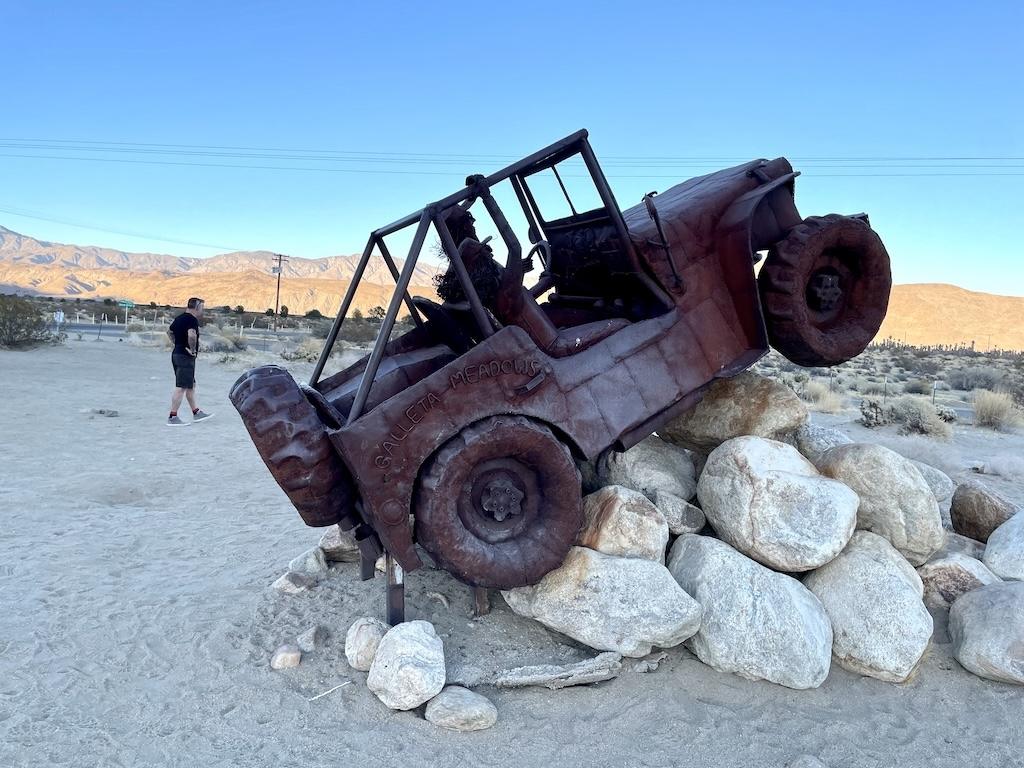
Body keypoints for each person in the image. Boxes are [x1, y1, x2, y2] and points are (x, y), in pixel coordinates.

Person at [166, 297, 213, 426]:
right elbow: (192, 335)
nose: (202, 311)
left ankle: (196, 412)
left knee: (190, 385)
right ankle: (172, 416)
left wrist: (177, 343)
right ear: (196, 307)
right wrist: (192, 350)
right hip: (185, 356)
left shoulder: (180, 318)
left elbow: (169, 332)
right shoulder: (192, 320)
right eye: (202, 308)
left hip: (177, 354)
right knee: (181, 387)